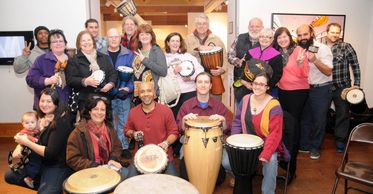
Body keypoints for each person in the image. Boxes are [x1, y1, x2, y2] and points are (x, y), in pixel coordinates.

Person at [5, 88, 73, 194]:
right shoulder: (40, 118)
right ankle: (46, 184)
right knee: (10, 176)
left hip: (57, 165)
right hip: (41, 162)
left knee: (46, 192)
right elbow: (26, 134)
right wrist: (19, 146)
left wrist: (26, 142)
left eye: (49, 101)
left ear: (56, 103)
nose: (44, 104)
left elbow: (49, 153)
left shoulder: (61, 122)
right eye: (42, 101)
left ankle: (53, 185)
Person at [231, 72, 284, 194]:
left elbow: (275, 134)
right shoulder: (245, 99)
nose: (258, 87)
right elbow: (237, 121)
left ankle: (268, 191)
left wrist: (265, 153)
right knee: (226, 161)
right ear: (251, 84)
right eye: (255, 83)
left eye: (262, 84)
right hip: (247, 144)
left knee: (270, 161)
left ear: (268, 87)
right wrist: (235, 141)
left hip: (268, 144)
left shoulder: (274, 105)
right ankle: (240, 179)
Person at [176, 72, 231, 184]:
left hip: (214, 143)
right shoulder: (186, 105)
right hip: (191, 142)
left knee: (221, 172)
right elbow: (179, 130)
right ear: (195, 85)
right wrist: (184, 120)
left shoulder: (218, 106)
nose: (203, 85)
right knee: (185, 169)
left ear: (211, 85)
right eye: (200, 82)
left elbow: (226, 129)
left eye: (206, 82)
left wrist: (223, 120)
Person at [273, 27, 309, 182]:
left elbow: (305, 74)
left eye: (284, 36)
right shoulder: (276, 53)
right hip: (282, 92)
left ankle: (292, 168)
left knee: (293, 128)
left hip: (297, 93)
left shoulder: (299, 50)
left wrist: (301, 64)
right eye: (279, 37)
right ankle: (284, 161)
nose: (282, 39)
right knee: (284, 127)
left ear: (290, 37)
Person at [66, 95, 128, 179]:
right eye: (95, 109)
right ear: (89, 111)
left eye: (102, 109)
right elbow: (72, 158)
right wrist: (93, 166)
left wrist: (113, 158)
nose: (99, 112)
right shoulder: (79, 132)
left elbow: (117, 147)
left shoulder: (109, 128)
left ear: (106, 113)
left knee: (129, 176)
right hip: (88, 173)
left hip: (109, 168)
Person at [124, 82, 179, 177]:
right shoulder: (133, 112)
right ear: (138, 94)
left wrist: (166, 143)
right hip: (140, 157)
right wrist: (133, 134)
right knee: (129, 184)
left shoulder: (166, 111)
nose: (146, 94)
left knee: (174, 186)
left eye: (149, 91)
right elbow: (127, 130)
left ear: (154, 93)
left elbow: (174, 133)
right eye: (142, 91)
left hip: (163, 157)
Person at [297, 24, 333, 160]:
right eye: (299, 35)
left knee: (319, 120)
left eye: (305, 34)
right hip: (305, 88)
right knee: (305, 119)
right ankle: (305, 145)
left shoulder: (323, 49)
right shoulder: (299, 50)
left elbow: (328, 71)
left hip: (321, 88)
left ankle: (315, 147)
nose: (302, 38)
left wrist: (315, 60)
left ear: (311, 33)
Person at [325, 23, 361, 152]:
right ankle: (318, 140)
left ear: (340, 34)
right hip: (324, 87)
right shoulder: (320, 47)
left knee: (343, 114)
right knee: (320, 114)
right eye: (332, 32)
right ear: (326, 32)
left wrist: (357, 84)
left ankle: (340, 141)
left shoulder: (346, 47)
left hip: (342, 87)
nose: (334, 35)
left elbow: (355, 65)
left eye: (337, 32)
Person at [101, 28, 134, 159]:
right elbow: (97, 73)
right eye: (111, 37)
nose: (114, 39)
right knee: (109, 122)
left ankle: (124, 146)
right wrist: (104, 87)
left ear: (120, 38)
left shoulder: (129, 54)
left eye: (116, 37)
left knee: (124, 121)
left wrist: (129, 89)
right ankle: (112, 147)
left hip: (123, 94)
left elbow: (134, 75)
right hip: (106, 93)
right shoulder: (100, 54)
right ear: (106, 39)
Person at [66, 30, 117, 111]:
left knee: (105, 122)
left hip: (104, 98)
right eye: (83, 40)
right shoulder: (74, 60)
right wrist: (85, 81)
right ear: (79, 44)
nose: (87, 43)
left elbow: (113, 73)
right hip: (85, 100)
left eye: (89, 40)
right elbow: (70, 79)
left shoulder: (103, 57)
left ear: (93, 42)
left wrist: (110, 84)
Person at [26, 29, 71, 110]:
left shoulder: (72, 60)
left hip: (67, 106)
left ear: (65, 44)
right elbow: (30, 79)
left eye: (60, 41)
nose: (58, 43)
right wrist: (47, 81)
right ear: (50, 46)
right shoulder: (41, 60)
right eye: (54, 42)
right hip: (45, 107)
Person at [186, 13, 227, 100]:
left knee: (215, 104)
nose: (202, 26)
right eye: (199, 24)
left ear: (208, 25)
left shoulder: (216, 39)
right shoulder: (188, 39)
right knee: (195, 104)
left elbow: (225, 57)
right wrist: (198, 48)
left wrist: (222, 70)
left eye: (204, 23)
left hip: (213, 77)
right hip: (194, 78)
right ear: (195, 25)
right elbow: (184, 55)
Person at [164, 32, 204, 117]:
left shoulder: (188, 56)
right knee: (174, 118)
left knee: (189, 118)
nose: (175, 43)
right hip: (172, 94)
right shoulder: (163, 58)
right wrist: (174, 72)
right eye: (172, 41)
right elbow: (162, 76)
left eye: (177, 41)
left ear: (180, 43)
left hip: (189, 92)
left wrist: (190, 78)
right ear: (168, 43)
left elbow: (201, 71)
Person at [228, 17, 263, 104]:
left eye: (257, 26)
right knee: (241, 111)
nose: (254, 29)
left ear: (262, 27)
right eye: (252, 26)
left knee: (258, 113)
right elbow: (230, 55)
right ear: (248, 27)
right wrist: (238, 62)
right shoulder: (239, 38)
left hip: (259, 85)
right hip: (241, 83)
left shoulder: (266, 41)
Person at [132, 24, 167, 105]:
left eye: (147, 34)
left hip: (151, 94)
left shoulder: (156, 50)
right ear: (138, 37)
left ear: (152, 36)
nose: (144, 36)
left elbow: (163, 71)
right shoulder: (137, 51)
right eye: (142, 34)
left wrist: (145, 60)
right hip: (138, 94)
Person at [244, 28, 283, 97]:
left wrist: (264, 87)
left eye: (268, 37)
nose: (264, 39)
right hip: (249, 88)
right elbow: (244, 68)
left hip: (266, 90)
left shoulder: (277, 56)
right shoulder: (250, 52)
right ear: (258, 38)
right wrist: (246, 82)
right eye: (262, 36)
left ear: (272, 39)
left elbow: (277, 75)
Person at [8, 112, 41, 189]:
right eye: (27, 123)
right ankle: (29, 178)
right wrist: (34, 139)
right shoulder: (24, 132)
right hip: (28, 152)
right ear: (22, 124)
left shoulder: (36, 130)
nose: (30, 125)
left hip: (32, 151)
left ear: (37, 122)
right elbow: (23, 137)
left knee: (33, 164)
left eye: (32, 122)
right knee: (34, 165)